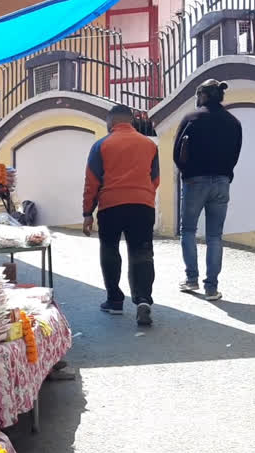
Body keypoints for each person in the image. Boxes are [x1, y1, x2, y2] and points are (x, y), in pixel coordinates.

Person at [82, 104, 160, 327]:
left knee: (110, 250)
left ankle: (115, 300)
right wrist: (142, 195)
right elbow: (155, 179)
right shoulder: (149, 145)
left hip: (111, 206)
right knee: (142, 252)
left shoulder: (101, 145)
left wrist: (88, 213)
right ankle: (143, 301)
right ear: (131, 121)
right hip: (143, 205)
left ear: (111, 122)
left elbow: (92, 182)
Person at [173, 79, 242, 301]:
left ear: (202, 95)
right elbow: (235, 155)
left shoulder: (191, 119)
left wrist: (187, 171)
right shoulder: (234, 122)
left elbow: (177, 154)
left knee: (188, 230)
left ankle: (191, 279)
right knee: (215, 236)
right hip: (222, 182)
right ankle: (211, 287)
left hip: (194, 181)